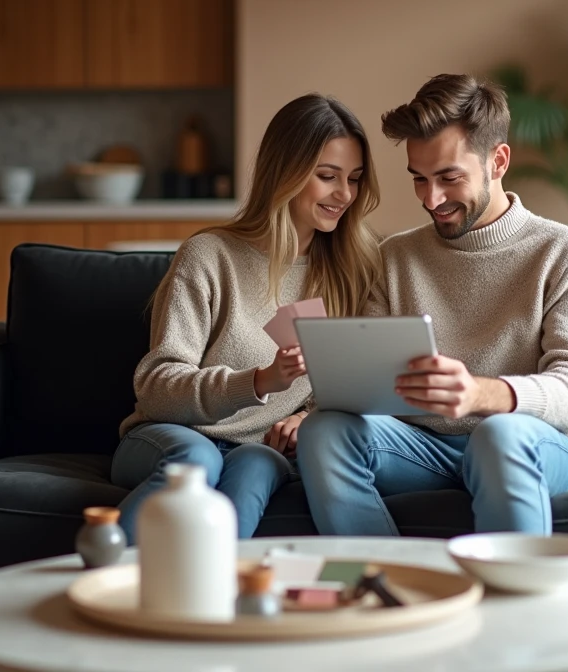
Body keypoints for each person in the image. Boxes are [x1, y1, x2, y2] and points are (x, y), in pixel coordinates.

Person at [296, 73, 568, 536]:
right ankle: (382, 591)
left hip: (536, 445)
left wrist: (482, 394)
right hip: (424, 448)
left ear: (498, 161)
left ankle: (509, 602)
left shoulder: (566, 253)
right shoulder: (396, 257)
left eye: (449, 178)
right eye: (419, 180)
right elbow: (369, 383)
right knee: (325, 431)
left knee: (497, 434)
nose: (432, 199)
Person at [112, 94, 382, 541]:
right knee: (198, 464)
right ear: (287, 173)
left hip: (258, 448)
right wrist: (258, 382)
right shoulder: (209, 256)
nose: (344, 195)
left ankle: (212, 600)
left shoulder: (351, 271)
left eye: (353, 179)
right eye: (327, 176)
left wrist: (310, 416)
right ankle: (96, 577)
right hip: (172, 434)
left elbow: (354, 384)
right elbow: (156, 385)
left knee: (258, 469)